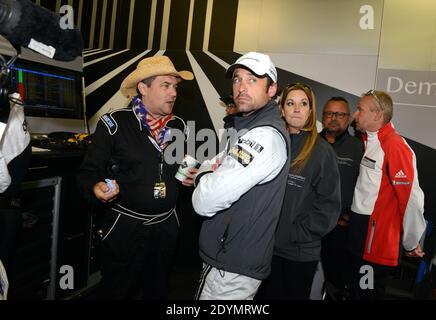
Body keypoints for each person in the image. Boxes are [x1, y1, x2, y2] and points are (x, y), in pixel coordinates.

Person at [77, 56, 195, 299]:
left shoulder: (179, 125)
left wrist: (188, 176)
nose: (173, 92)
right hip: (125, 228)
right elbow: (88, 173)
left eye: (175, 86)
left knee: (158, 289)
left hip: (166, 227)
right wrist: (95, 187)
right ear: (143, 87)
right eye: (166, 85)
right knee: (119, 291)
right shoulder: (114, 124)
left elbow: (176, 166)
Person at [192, 52, 290, 300]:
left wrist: (202, 178)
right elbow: (213, 164)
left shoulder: (263, 136)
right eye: (237, 79)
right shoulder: (247, 127)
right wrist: (210, 172)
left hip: (231, 266)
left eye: (253, 79)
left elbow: (203, 201)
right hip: (229, 259)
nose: (242, 87)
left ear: (271, 90)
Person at [257, 83, 341, 300]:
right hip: (265, 249)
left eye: (303, 104)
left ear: (311, 111)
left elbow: (329, 207)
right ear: (282, 110)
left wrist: (294, 234)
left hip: (298, 254)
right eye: (291, 103)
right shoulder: (273, 143)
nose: (297, 109)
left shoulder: (322, 152)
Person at [347, 90, 426, 299]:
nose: (355, 115)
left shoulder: (395, 146)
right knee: (356, 293)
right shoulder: (368, 140)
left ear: (377, 115)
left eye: (360, 110)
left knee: (367, 295)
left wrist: (411, 241)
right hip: (358, 232)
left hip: (375, 241)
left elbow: (411, 199)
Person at [319, 97, 364, 299]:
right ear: (323, 117)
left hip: (339, 231)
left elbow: (364, 191)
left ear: (348, 118)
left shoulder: (359, 149)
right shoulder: (309, 143)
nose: (334, 118)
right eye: (329, 113)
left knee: (334, 285)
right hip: (306, 228)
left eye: (340, 114)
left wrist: (348, 217)